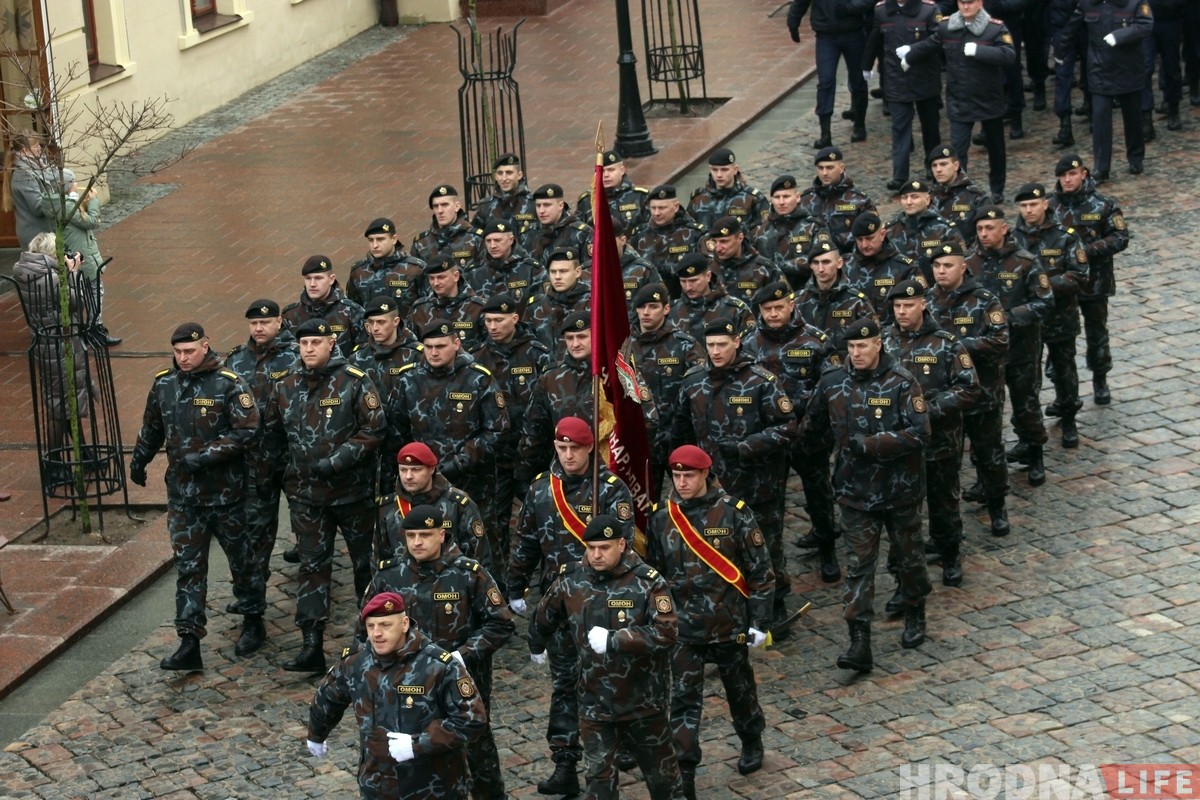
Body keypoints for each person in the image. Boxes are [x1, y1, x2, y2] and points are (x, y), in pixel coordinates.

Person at [509, 418, 636, 795]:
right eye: (561, 448)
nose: (567, 456)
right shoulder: (541, 489)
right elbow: (527, 540)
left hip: (603, 602)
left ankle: (619, 744)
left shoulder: (611, 490)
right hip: (559, 601)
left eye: (575, 449)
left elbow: (623, 545)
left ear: (589, 449)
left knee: (612, 677)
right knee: (565, 683)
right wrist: (516, 582)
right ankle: (565, 761)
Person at [128, 322, 262, 670]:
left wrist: (204, 457)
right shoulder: (164, 384)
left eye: (189, 351)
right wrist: (139, 460)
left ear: (206, 346)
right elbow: (152, 427)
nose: (183, 358)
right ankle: (189, 640)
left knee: (242, 562)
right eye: (177, 352)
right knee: (189, 568)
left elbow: (246, 431)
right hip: (185, 498)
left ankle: (253, 619)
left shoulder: (228, 384)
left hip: (226, 495)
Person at [803, 317, 932, 672]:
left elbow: (920, 433)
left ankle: (915, 608)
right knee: (859, 567)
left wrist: (872, 445)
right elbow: (812, 427)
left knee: (909, 556)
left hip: (899, 489)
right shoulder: (832, 382)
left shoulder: (902, 382)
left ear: (879, 344)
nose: (857, 353)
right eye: (852, 347)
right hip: (854, 491)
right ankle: (859, 641)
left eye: (863, 346)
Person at [645, 445, 774, 798]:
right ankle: (684, 771)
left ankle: (751, 738)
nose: (682, 483)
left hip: (727, 623)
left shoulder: (734, 514)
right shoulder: (661, 517)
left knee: (740, 689)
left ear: (706, 474)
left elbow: (761, 572)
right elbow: (655, 573)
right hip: (684, 629)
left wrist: (760, 622)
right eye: (677, 476)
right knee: (684, 700)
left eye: (689, 476)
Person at [363, 506, 514, 800]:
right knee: (414, 750)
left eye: (425, 535)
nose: (417, 542)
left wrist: (464, 655)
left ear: (441, 535)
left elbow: (500, 623)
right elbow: (366, 629)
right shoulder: (390, 576)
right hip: (407, 686)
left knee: (477, 749)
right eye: (411, 535)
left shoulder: (468, 574)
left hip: (462, 679)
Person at [262, 318, 387, 673]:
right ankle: (311, 644)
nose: (309, 350)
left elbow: (374, 429)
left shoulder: (355, 381)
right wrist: (272, 477)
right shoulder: (285, 384)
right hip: (306, 496)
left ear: (331, 344)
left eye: (316, 343)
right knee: (313, 567)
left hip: (352, 494)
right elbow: (272, 436)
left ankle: (371, 635)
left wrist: (336, 461)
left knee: (366, 564)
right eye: (304, 344)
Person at [532, 514, 683, 800]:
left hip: (643, 703)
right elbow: (545, 615)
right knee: (599, 784)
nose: (596, 555)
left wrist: (616, 640)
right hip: (594, 702)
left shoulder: (647, 582)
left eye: (604, 547)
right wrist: (536, 642)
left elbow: (667, 632)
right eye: (591, 548)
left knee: (664, 783)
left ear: (623, 544)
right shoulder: (572, 579)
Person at [672, 319, 797, 632]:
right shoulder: (693, 381)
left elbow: (787, 428)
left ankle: (775, 604)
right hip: (710, 486)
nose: (715, 351)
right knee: (716, 546)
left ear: (737, 342)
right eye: (711, 345)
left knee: (765, 546)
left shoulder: (760, 381)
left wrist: (746, 446)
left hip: (756, 483)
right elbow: (680, 427)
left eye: (721, 345)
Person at [306, 591, 487, 800]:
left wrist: (417, 744)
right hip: (377, 785)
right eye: (371, 626)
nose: (377, 634)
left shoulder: (439, 666)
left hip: (435, 788)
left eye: (385, 625)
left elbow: (472, 719)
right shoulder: (355, 663)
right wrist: (316, 734)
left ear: (404, 624)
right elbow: (327, 697)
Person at [743, 281, 841, 583]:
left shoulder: (816, 340)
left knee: (819, 495)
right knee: (772, 503)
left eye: (778, 307)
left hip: (809, 435)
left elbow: (831, 388)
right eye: (767, 309)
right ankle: (771, 562)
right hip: (771, 438)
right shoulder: (750, 344)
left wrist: (807, 427)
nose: (773, 314)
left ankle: (827, 549)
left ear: (791, 305)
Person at [883, 280, 980, 587]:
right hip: (899, 443)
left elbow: (968, 388)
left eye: (908, 305)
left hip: (939, 441)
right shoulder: (883, 341)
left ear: (922, 304)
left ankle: (950, 555)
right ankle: (903, 570)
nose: (902, 312)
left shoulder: (946, 343)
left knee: (943, 502)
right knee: (901, 509)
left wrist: (928, 410)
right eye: (897, 306)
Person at [390, 321, 509, 549]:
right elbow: (397, 430)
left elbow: (498, 429)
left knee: (483, 544)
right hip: (422, 485)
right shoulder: (408, 379)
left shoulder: (478, 379)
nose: (434, 352)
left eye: (441, 346)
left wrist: (460, 461)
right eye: (429, 346)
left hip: (472, 481)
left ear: (456, 344)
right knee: (424, 544)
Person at [925, 242, 1011, 536]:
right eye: (936, 266)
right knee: (947, 465)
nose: (941, 271)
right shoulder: (927, 302)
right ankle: (949, 525)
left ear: (963, 266)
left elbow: (999, 340)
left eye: (947, 265)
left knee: (989, 454)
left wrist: (956, 346)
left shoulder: (984, 300)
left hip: (982, 393)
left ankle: (997, 505)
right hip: (946, 400)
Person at [968, 206, 1053, 486]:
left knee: (1025, 405)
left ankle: (1035, 453)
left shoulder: (1025, 262)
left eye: (989, 228)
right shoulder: (970, 263)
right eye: (979, 229)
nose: (984, 234)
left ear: (1004, 228)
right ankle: (985, 474)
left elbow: (1044, 301)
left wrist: (1009, 318)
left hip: (1020, 350)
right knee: (984, 416)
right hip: (985, 354)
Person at [224, 299, 301, 598]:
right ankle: (253, 591)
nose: (259, 328)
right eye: (254, 323)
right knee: (256, 527)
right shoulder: (236, 360)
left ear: (279, 322)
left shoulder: (297, 355)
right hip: (256, 460)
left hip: (293, 454)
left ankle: (314, 587)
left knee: (306, 525)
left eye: (265, 322)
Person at [903, 0, 1016, 202]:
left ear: (980, 3)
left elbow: (1008, 55)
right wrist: (910, 54)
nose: (966, 7)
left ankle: (997, 187)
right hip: (959, 98)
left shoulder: (994, 28)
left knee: (996, 149)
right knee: (957, 150)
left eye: (970, 2)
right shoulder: (948, 26)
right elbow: (932, 42)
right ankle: (959, 190)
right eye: (962, 3)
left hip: (988, 98)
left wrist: (980, 51)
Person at [469, 293, 552, 557]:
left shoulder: (537, 354)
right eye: (488, 321)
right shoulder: (477, 358)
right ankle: (502, 578)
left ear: (515, 319)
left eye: (499, 320)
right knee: (494, 523)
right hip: (496, 458)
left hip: (534, 455)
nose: (492, 326)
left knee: (543, 518)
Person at [1011, 182, 1090, 448]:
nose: (1028, 210)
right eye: (1023, 206)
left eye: (1033, 204)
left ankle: (1068, 418)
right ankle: (1029, 434)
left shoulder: (1065, 236)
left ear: (1045, 204)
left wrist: (1040, 285)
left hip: (1060, 317)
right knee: (1027, 379)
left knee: (1065, 370)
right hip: (1027, 323)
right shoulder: (1012, 239)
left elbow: (1079, 276)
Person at [1048, 154, 1129, 406]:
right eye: (1063, 176)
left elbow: (1120, 236)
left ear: (1083, 174)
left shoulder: (1103, 205)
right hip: (1062, 284)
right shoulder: (1049, 207)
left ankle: (1100, 377)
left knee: (1097, 334)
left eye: (1072, 174)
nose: (1067, 180)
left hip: (1095, 282)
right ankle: (1062, 388)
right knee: (1060, 337)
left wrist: (1089, 250)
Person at [624, 284, 706, 500]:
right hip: (641, 438)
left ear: (666, 308)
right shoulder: (624, 346)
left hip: (678, 437)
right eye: (641, 307)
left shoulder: (684, 345)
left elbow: (701, 389)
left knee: (693, 498)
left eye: (653, 306)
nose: (646, 312)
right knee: (642, 502)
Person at [1059, 0, 1153, 179]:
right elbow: (1072, 27)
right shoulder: (1088, 3)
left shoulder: (1134, 3)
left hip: (1128, 67)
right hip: (1100, 68)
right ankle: (1101, 167)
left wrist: (1120, 35)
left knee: (1132, 116)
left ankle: (1135, 158)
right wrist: (1060, 50)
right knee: (1100, 119)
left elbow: (1145, 25)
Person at [375, 442, 493, 577]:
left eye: (416, 470)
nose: (408, 476)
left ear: (431, 469)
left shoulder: (457, 504)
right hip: (404, 585)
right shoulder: (388, 507)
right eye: (403, 470)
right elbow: (379, 556)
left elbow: (479, 554)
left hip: (451, 584)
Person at [862, 0, 944, 191]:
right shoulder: (882, 10)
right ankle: (900, 176)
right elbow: (876, 37)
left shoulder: (928, 9)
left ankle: (934, 167)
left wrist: (914, 51)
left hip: (925, 77)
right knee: (899, 128)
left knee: (930, 126)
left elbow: (939, 38)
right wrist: (866, 64)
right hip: (896, 78)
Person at [44, 169, 120, 345]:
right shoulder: (67, 206)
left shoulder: (54, 203)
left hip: (72, 252)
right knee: (94, 292)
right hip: (82, 255)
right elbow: (90, 222)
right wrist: (93, 201)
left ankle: (84, 331)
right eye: (74, 182)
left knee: (81, 293)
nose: (77, 185)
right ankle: (95, 330)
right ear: (68, 186)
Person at [788, 0, 875, 147]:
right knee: (825, 82)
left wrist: (849, 8)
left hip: (853, 32)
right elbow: (801, 2)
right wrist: (793, 22)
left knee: (858, 81)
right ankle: (825, 133)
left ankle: (860, 124)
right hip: (825, 35)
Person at [794, 239, 878, 357]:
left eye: (826, 262)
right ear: (811, 265)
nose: (821, 269)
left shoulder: (856, 302)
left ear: (839, 263)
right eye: (816, 263)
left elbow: (874, 341)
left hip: (845, 370)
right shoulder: (797, 301)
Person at [752, 174, 831, 291]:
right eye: (777, 197)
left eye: (786, 196)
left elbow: (822, 258)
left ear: (798, 197)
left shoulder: (814, 227)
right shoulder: (759, 231)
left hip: (805, 293)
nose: (781, 202)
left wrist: (780, 266)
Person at [281, 255, 367, 358]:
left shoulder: (352, 312)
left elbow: (364, 351)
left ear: (331, 279)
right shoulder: (290, 315)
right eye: (308, 278)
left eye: (318, 278)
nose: (312, 284)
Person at [842, 211, 925, 313]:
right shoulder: (844, 266)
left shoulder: (905, 268)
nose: (864, 245)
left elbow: (918, 307)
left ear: (882, 234)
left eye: (869, 238)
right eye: (860, 239)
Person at [630, 184, 707, 294]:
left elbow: (706, 266)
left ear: (676, 207)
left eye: (662, 208)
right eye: (653, 208)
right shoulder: (639, 235)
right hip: (650, 302)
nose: (656, 213)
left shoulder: (696, 233)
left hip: (685, 297)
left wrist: (669, 270)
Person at [798, 147, 877, 253]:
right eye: (821, 168)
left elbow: (871, 236)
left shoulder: (860, 201)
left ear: (841, 168)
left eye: (829, 168)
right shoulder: (805, 200)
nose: (824, 173)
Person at [345, 217, 427, 316]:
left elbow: (427, 308)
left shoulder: (415, 269)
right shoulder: (359, 271)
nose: (375, 245)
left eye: (380, 239)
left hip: (405, 330)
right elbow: (353, 311)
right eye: (371, 240)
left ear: (394, 239)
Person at [668, 254, 756, 345]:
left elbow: (749, 346)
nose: (688, 287)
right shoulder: (671, 311)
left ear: (708, 276)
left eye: (693, 281)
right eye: (683, 281)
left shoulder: (735, 309)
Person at [886, 179, 966, 280]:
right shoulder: (890, 230)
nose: (909, 202)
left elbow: (960, 262)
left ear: (927, 200)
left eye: (914, 197)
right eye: (904, 198)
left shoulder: (944, 229)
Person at [406, 255, 487, 351]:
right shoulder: (419, 309)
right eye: (432, 278)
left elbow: (487, 346)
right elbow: (411, 344)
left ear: (456, 276)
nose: (435, 283)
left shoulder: (478, 307)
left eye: (441, 277)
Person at [526, 247, 591, 356]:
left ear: (578, 272)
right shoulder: (536, 306)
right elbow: (528, 346)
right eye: (553, 272)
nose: (557, 277)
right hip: (548, 371)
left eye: (563, 271)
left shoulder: (594, 303)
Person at [463, 220, 545, 307]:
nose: (492, 246)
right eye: (488, 241)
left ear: (511, 240)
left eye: (497, 240)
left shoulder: (532, 269)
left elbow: (541, 306)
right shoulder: (473, 272)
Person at [686, 147, 771, 230]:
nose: (719, 175)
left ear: (735, 170)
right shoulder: (698, 198)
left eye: (724, 170)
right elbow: (688, 229)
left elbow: (764, 231)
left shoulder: (753, 198)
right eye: (714, 170)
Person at [705, 215, 783, 305]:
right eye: (714, 242)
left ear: (740, 238)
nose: (718, 248)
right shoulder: (707, 269)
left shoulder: (766, 268)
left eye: (724, 241)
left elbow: (783, 304)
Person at [470, 152, 537, 250]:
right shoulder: (485, 206)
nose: (504, 178)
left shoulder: (534, 203)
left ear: (519, 175)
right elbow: (475, 238)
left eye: (509, 173)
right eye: (500, 173)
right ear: (495, 176)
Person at [576, 150, 649, 238]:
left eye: (611, 170)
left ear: (622, 170)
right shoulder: (587, 200)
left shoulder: (640, 196)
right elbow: (579, 233)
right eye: (601, 171)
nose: (606, 175)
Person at [927, 145, 990, 245]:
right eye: (934, 165)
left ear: (956, 166)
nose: (938, 169)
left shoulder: (976, 196)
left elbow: (988, 234)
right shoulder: (927, 199)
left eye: (943, 164)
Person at [411, 184, 482, 270]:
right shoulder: (421, 242)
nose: (440, 211)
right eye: (436, 206)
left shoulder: (476, 238)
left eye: (445, 205)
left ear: (457, 206)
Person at [527, 183, 593, 266]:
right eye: (538, 206)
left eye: (547, 205)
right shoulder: (529, 233)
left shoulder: (582, 233)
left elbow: (590, 268)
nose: (541, 211)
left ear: (560, 205)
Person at [7, 132, 54, 249]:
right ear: (25, 151)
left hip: (42, 233)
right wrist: (59, 200)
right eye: (36, 146)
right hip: (36, 236)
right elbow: (38, 207)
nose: (40, 149)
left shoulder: (36, 167)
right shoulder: (24, 174)